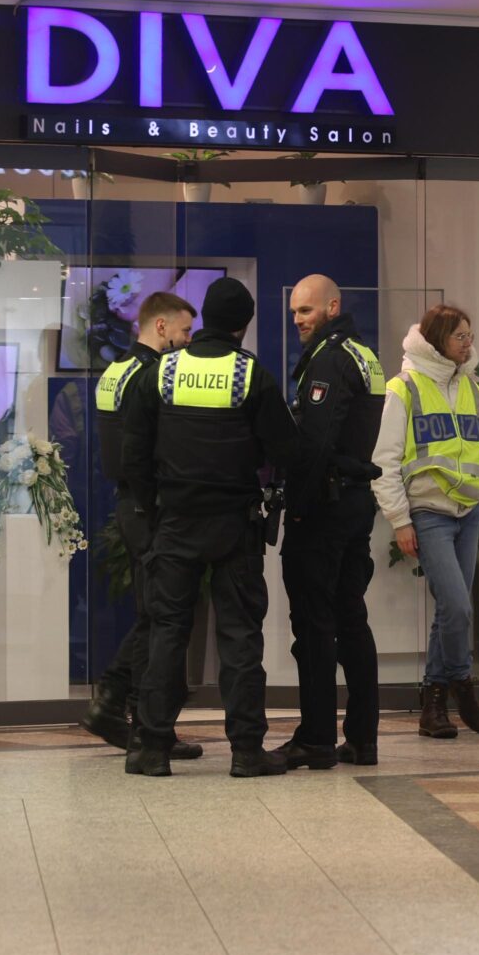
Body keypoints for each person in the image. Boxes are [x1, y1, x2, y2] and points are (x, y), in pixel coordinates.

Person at [117, 276, 297, 778]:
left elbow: (133, 451)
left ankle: (151, 747)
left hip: (174, 523)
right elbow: (285, 449)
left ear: (204, 320)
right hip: (234, 527)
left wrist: (152, 513)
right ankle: (246, 751)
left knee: (167, 635)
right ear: (243, 324)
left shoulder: (162, 372)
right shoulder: (251, 375)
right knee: (239, 638)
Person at [81, 291, 204, 762]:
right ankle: (118, 704)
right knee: (161, 617)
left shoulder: (116, 370)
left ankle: (143, 721)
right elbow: (151, 447)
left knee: (155, 615)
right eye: (184, 332)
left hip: (128, 505)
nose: (187, 341)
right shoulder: (152, 375)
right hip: (149, 508)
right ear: (160, 328)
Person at [373, 303, 479, 740]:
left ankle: (433, 705)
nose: (468, 344)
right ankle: (462, 686)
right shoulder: (403, 388)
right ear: (436, 340)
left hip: (469, 511)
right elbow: (384, 462)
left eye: (469, 335)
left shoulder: (474, 389)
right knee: (459, 606)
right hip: (428, 513)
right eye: (459, 336)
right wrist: (400, 520)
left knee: (450, 608)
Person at [278, 275, 389, 770]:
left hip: (325, 507)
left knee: (316, 627)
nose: (299, 319)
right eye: (295, 312)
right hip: (354, 503)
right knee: (352, 620)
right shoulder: (365, 354)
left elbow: (316, 444)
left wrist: (296, 506)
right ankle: (363, 738)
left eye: (306, 310)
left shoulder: (328, 358)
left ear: (332, 306)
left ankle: (317, 737)